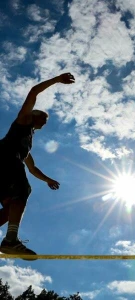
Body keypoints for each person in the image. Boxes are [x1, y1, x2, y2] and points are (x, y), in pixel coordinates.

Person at [0, 73, 75, 258]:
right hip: (3, 159)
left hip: (5, 166)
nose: (45, 122)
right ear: (35, 116)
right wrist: (57, 79)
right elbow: (33, 92)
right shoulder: (23, 121)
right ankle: (10, 240)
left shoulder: (25, 145)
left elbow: (32, 168)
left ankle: (10, 240)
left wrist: (48, 180)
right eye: (44, 119)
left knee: (11, 209)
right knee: (22, 190)